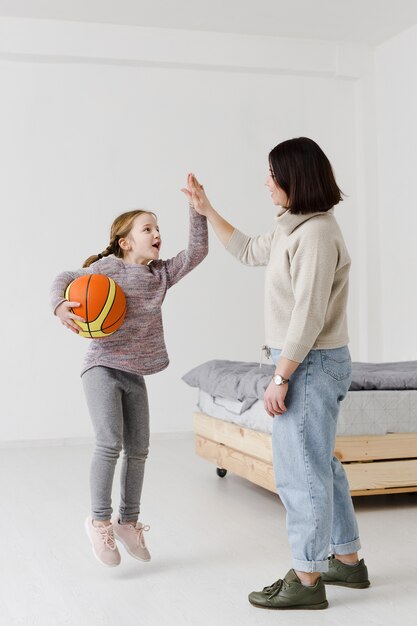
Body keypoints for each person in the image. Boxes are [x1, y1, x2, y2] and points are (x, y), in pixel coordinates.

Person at [182, 137, 369, 610]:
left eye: (272, 174)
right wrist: (206, 209)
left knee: (299, 471)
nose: (266, 182)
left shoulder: (318, 234)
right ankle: (345, 561)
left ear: (294, 179)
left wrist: (281, 376)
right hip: (305, 359)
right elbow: (246, 250)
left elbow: (307, 315)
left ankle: (307, 579)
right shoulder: (293, 227)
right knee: (319, 464)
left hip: (308, 362)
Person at [50, 201, 208, 567]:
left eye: (157, 228)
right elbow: (63, 277)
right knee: (109, 443)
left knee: (139, 449)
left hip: (134, 372)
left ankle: (128, 521)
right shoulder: (107, 269)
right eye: (147, 228)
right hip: (102, 366)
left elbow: (198, 251)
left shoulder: (161, 275)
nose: (156, 234)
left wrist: (197, 210)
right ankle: (99, 521)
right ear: (124, 242)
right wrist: (59, 305)